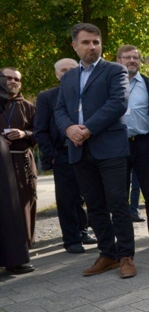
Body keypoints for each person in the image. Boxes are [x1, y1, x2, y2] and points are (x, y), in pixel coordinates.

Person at [54, 22, 136, 279]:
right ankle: (108, 255)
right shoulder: (68, 77)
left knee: (117, 203)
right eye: (86, 42)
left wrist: (87, 128)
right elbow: (59, 110)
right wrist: (69, 129)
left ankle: (126, 256)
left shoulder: (115, 71)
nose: (92, 47)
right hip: (79, 149)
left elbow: (118, 103)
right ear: (74, 45)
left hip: (109, 147)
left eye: (96, 42)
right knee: (95, 206)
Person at [34, 58, 98, 254]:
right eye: (63, 70)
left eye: (72, 69)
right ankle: (71, 239)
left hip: (89, 152)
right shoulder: (46, 97)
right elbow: (40, 130)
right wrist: (52, 156)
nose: (68, 73)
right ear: (57, 74)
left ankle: (83, 230)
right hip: (62, 154)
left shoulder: (89, 93)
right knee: (67, 198)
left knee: (87, 195)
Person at [116, 44, 149, 252]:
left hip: (144, 144)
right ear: (118, 60)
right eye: (127, 57)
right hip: (117, 145)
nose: (132, 61)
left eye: (135, 58)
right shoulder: (109, 85)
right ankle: (124, 240)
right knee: (119, 196)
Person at [0, 71, 34, 274]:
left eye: (16, 79)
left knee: (16, 208)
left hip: (20, 160)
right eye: (7, 77)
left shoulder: (28, 106)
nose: (11, 81)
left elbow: (41, 130)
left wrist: (24, 133)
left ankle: (17, 254)